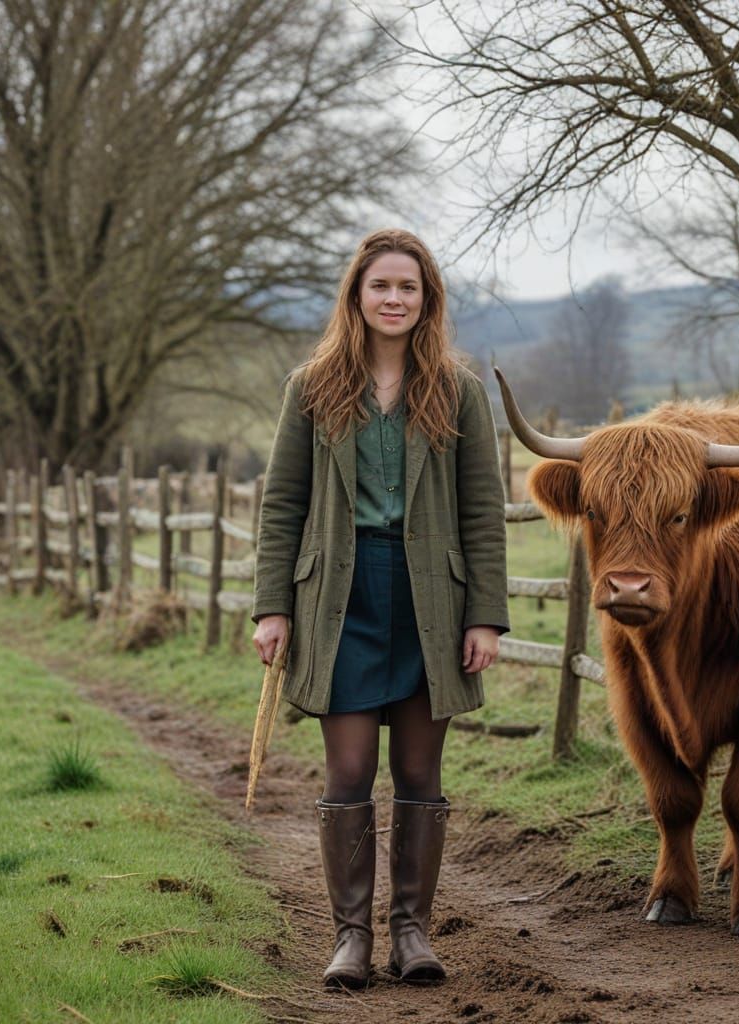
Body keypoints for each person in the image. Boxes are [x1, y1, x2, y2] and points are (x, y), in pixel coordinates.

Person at [251, 228, 509, 989]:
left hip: (433, 594)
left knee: (421, 770)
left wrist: (484, 616)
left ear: (426, 301)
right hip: (340, 597)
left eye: (409, 288)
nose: (394, 299)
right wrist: (273, 607)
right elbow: (283, 504)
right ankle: (351, 939)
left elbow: (483, 512)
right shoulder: (312, 387)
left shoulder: (457, 391)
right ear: (356, 298)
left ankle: (412, 935)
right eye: (381, 287)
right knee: (351, 766)